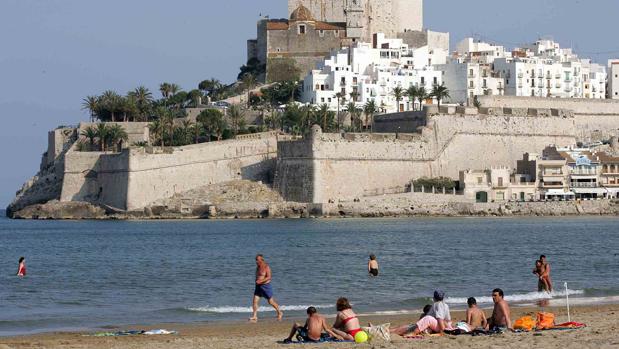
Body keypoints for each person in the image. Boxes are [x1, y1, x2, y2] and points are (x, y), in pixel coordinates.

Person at [249, 254, 283, 322]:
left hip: (266, 286)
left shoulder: (266, 267)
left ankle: (279, 312)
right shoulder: (257, 267)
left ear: (262, 260)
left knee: (271, 302)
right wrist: (257, 281)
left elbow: (269, 277)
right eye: (256, 260)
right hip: (258, 286)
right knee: (255, 301)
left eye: (257, 260)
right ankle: (255, 316)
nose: (256, 261)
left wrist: (260, 281)